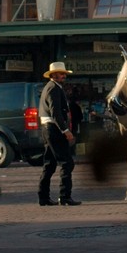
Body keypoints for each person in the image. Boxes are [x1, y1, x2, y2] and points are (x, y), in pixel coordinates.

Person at [38, 61, 81, 206]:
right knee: (67, 163)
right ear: (54, 75)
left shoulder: (51, 87)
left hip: (48, 128)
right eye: (61, 74)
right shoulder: (53, 88)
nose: (64, 76)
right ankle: (64, 196)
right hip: (53, 129)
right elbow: (55, 112)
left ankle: (43, 197)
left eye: (64, 74)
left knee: (49, 164)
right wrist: (66, 130)